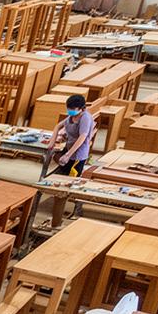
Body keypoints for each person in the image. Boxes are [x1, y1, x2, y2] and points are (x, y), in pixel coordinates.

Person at [46, 94, 95, 226]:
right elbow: (58, 126)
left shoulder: (85, 118)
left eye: (72, 109)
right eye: (69, 108)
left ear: (81, 108)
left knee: (71, 183)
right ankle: (58, 210)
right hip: (69, 150)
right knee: (61, 180)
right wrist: (52, 141)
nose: (70, 111)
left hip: (78, 155)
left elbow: (83, 137)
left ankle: (74, 210)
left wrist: (68, 155)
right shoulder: (72, 116)